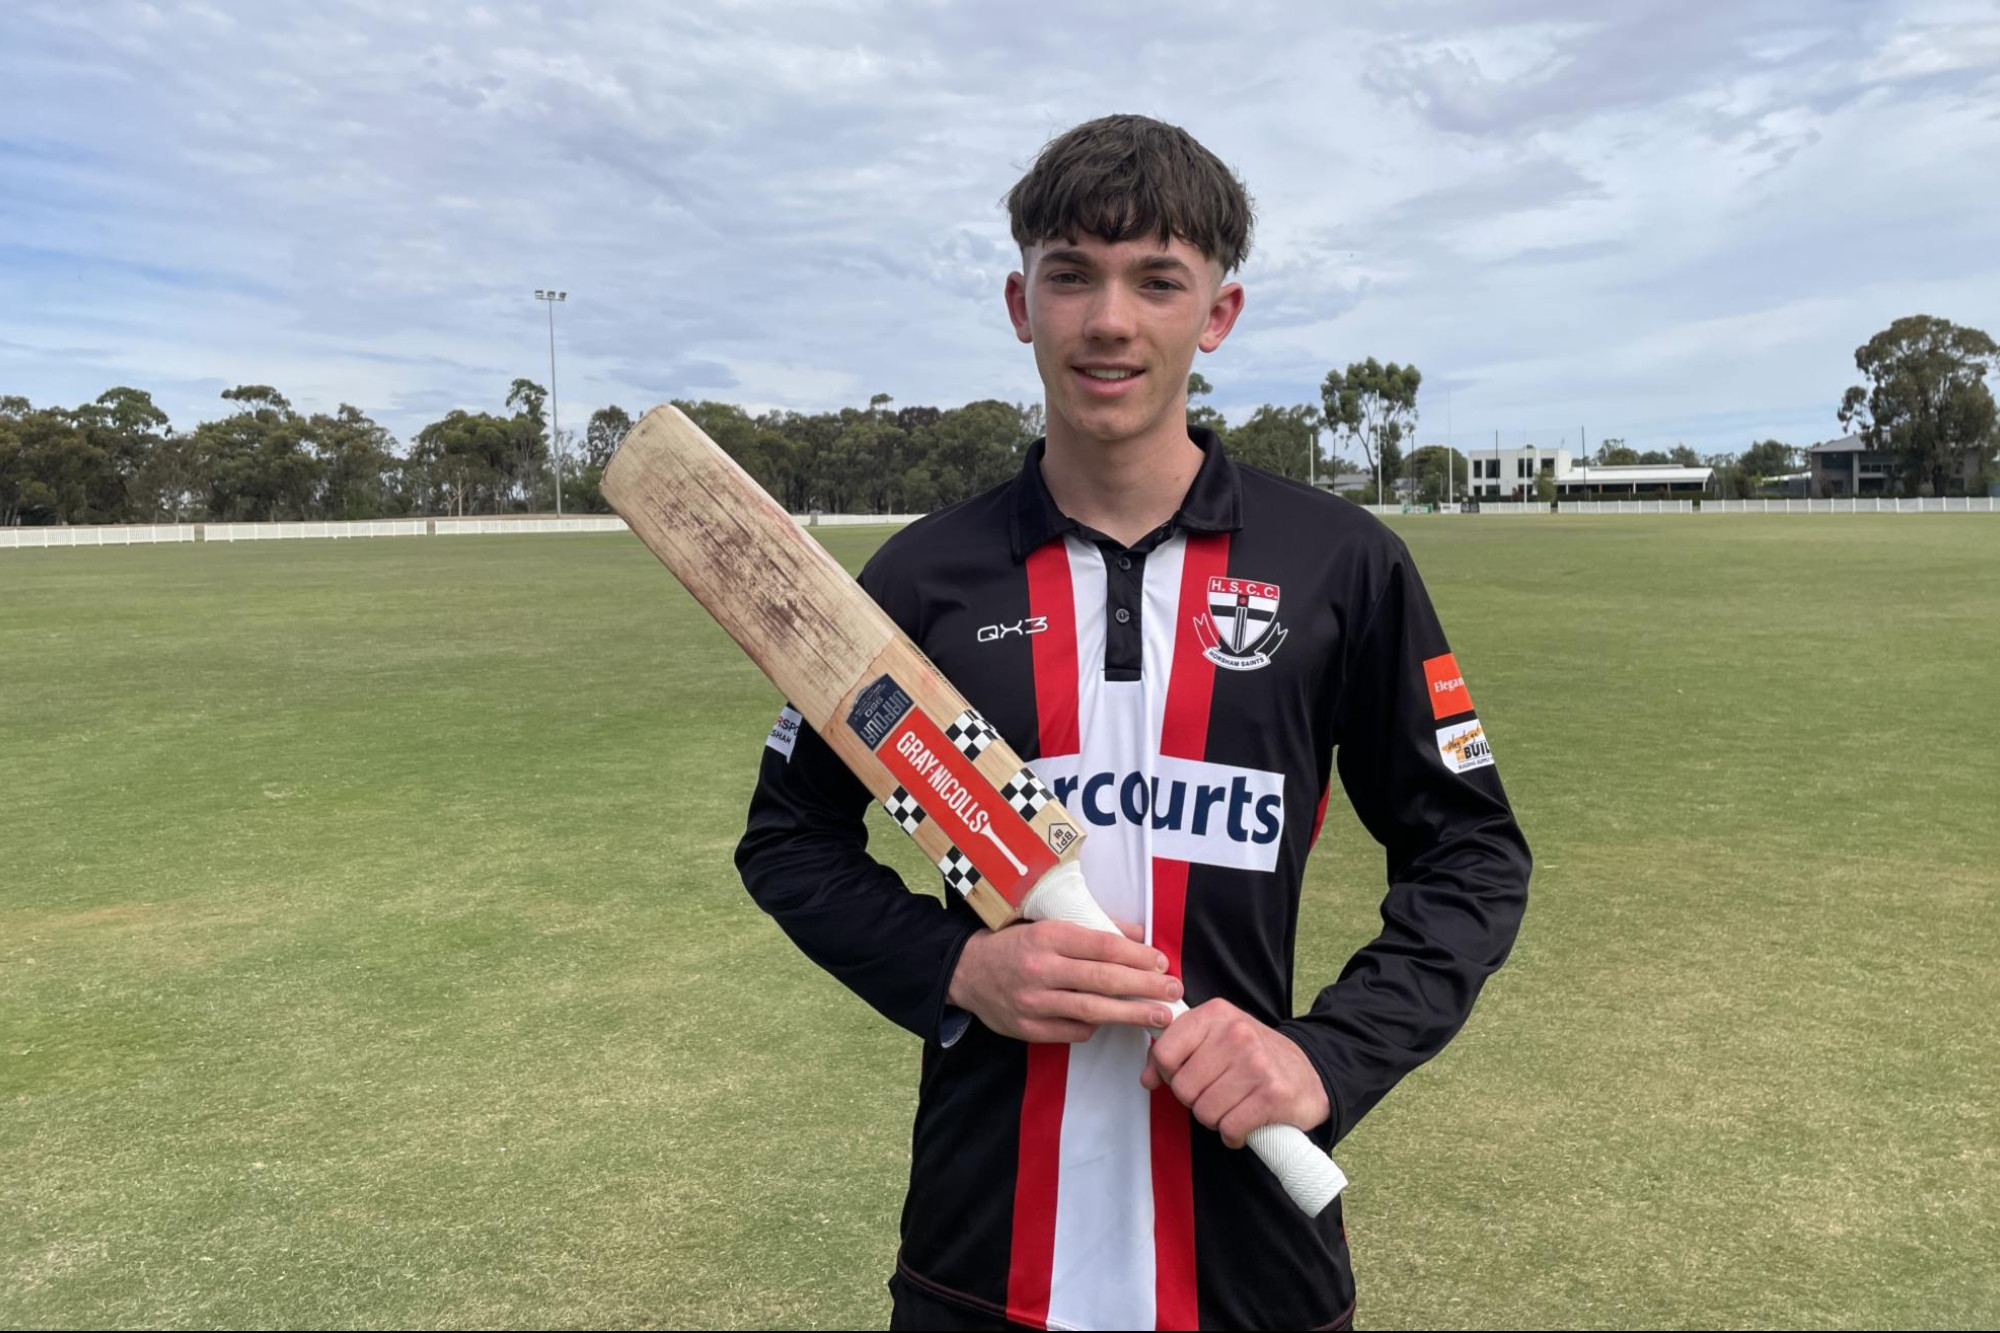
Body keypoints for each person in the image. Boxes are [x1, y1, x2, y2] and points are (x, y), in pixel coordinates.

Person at [736, 114, 1531, 1332]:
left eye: (1156, 279)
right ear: (1020, 301)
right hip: (981, 1249)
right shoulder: (915, 584)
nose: (1109, 319)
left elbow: (1470, 854)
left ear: (1215, 313)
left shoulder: (1340, 566)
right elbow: (789, 838)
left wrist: (1328, 1055)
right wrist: (957, 965)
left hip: (1250, 1256)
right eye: (1071, 275)